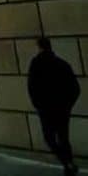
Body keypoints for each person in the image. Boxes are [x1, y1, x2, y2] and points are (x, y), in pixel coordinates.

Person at [27, 37, 81, 176]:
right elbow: (75, 88)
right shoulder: (62, 64)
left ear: (39, 47)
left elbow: (32, 87)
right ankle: (69, 164)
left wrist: (38, 105)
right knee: (63, 138)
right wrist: (67, 105)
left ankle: (66, 163)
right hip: (62, 108)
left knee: (49, 138)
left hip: (46, 109)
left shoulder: (36, 65)